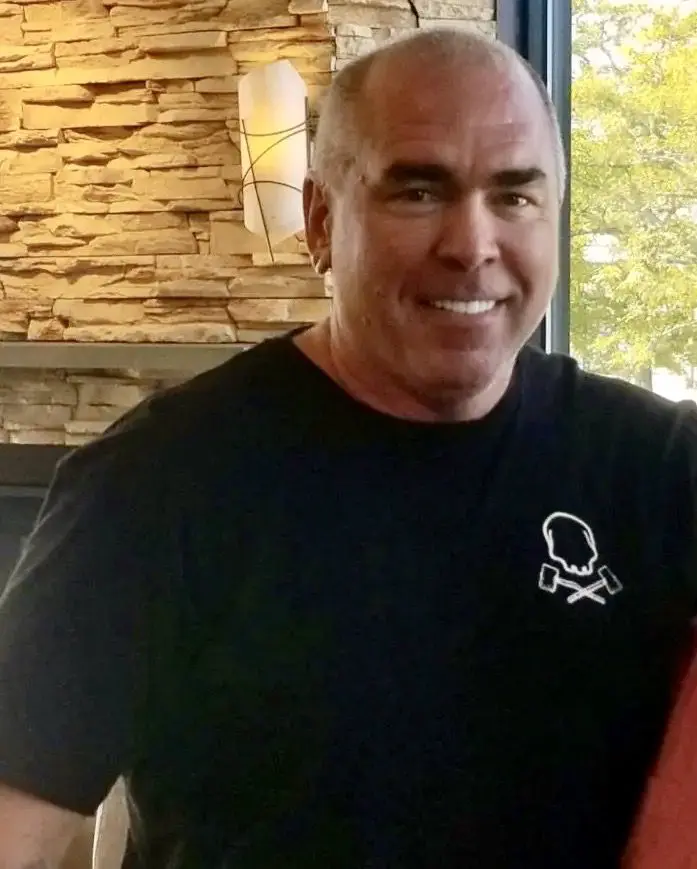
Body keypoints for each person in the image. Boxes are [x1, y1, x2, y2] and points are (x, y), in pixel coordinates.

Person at [0, 26, 694, 869]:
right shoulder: (158, 480)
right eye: (417, 191)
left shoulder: (652, 466)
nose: (471, 245)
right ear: (321, 223)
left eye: (514, 196)